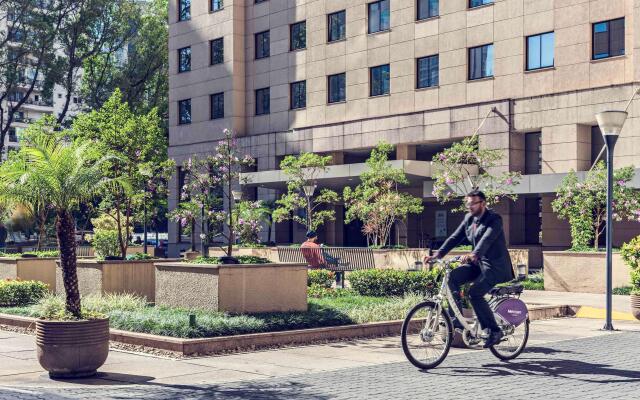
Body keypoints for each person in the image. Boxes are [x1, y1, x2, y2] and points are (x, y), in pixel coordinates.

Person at [424, 190, 515, 348]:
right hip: (478, 265)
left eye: (473, 203)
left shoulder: (494, 219)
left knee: (474, 293)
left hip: (495, 266)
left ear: (483, 203)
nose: (470, 206)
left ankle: (494, 331)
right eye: (468, 203)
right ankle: (456, 322)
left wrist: (474, 254)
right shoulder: (469, 219)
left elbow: (487, 239)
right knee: (452, 277)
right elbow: (454, 237)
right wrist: (437, 255)